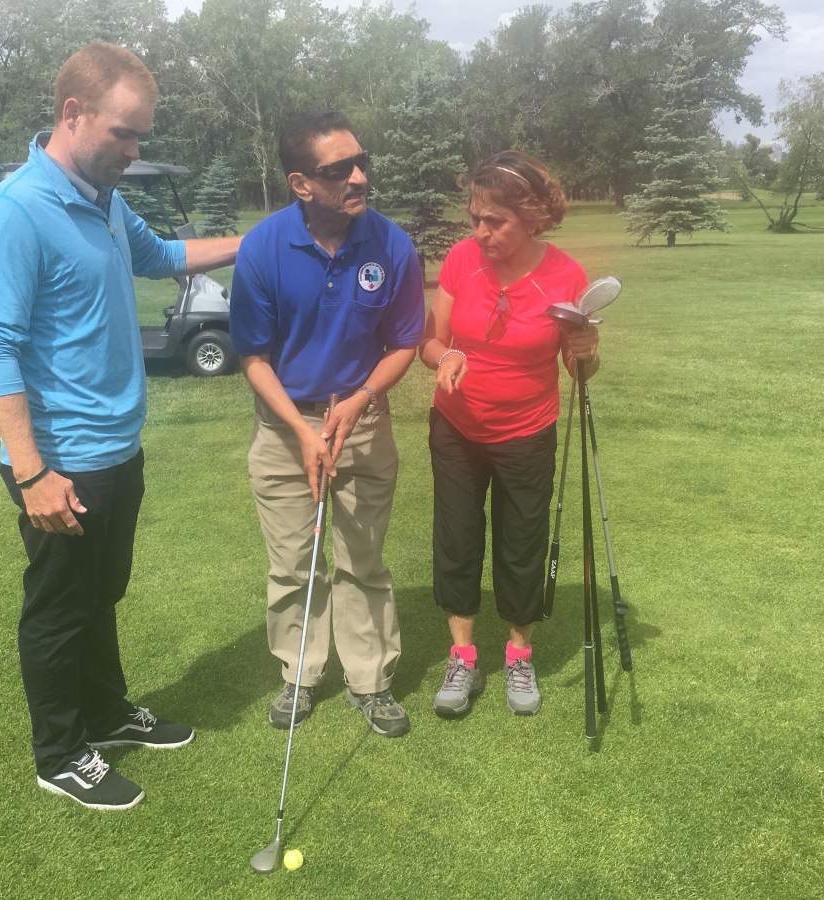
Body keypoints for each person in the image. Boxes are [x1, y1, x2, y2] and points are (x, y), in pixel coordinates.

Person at [0, 42, 241, 810]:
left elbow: (164, 256)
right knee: (58, 612)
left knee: (101, 596)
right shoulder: (16, 212)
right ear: (72, 114)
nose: (134, 149)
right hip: (58, 462)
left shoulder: (106, 203)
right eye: (123, 133)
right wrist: (31, 472)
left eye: (141, 136)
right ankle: (58, 753)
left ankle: (107, 714)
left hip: (117, 449)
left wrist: (260, 244)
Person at [230, 111, 425, 738]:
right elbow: (253, 358)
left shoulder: (391, 244)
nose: (359, 176)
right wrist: (303, 428)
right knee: (294, 561)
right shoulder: (263, 246)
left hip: (361, 422)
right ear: (301, 183)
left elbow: (402, 344)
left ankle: (371, 682)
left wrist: (359, 399)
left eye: (362, 162)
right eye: (339, 169)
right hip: (286, 427)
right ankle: (300, 674)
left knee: (362, 559)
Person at [418, 150, 599, 718]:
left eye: (494, 221)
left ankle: (519, 653)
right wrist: (444, 355)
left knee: (522, 543)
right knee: (457, 537)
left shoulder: (565, 275)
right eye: (475, 218)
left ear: (531, 218)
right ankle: (464, 655)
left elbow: (579, 370)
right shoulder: (460, 260)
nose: (480, 231)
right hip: (457, 426)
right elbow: (430, 341)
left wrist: (588, 352)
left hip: (527, 431)